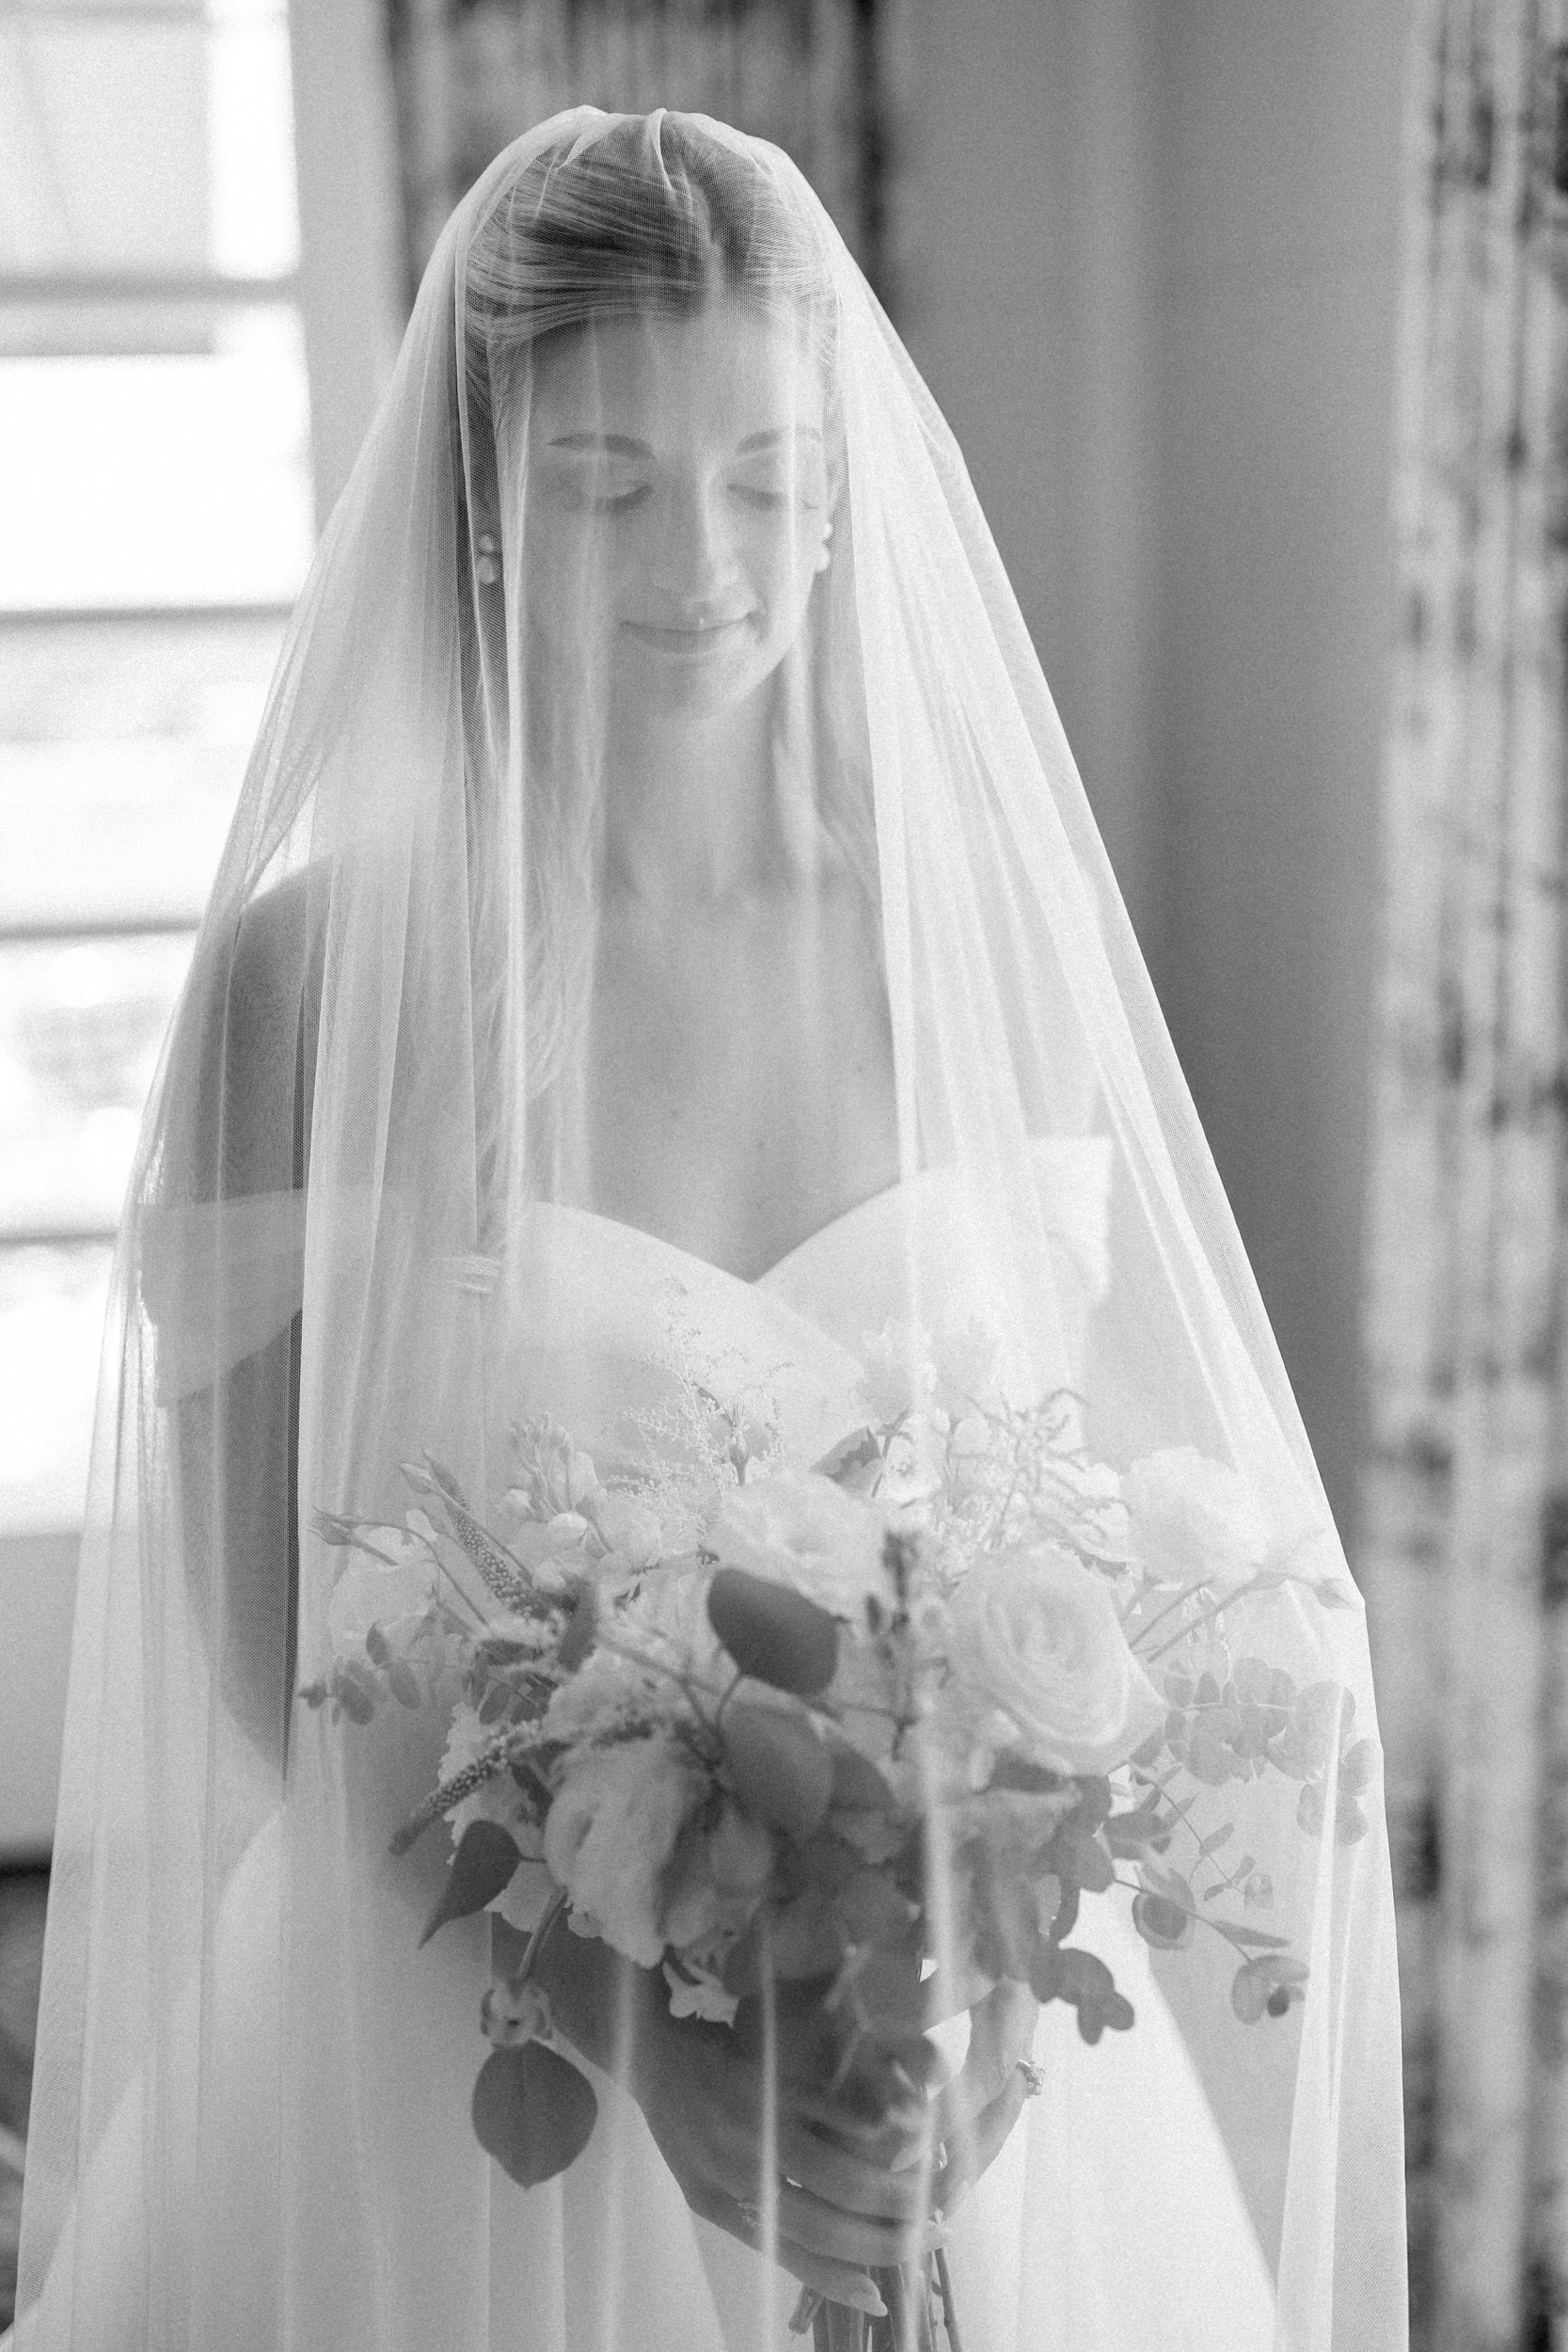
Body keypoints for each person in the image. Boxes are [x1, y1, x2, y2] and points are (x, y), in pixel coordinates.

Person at [12, 108, 1406, 2351]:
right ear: (482, 505)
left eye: (767, 472)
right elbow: (271, 1629)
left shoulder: (977, 943)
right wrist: (644, 2026)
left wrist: (966, 1980)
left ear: (846, 489)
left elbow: (1042, 1544)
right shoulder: (324, 977)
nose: (703, 563)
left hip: (958, 2052)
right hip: (472, 2055)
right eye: (608, 483)